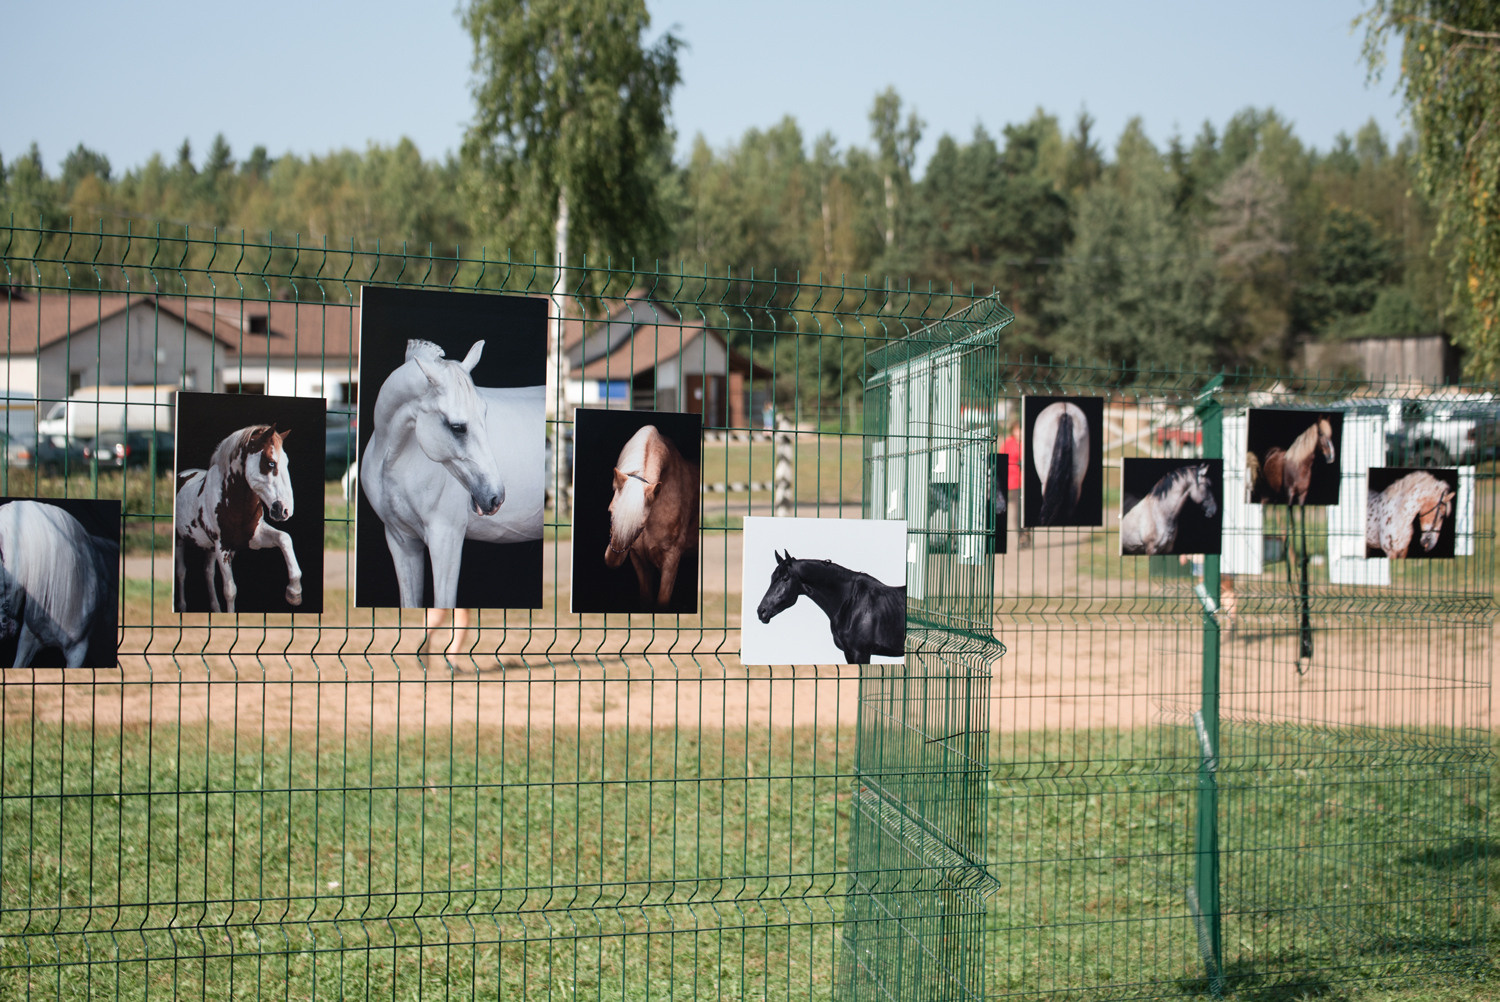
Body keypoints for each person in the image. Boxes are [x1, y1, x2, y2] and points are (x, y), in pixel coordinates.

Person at [999, 420, 1029, 548]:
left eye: (1021, 429)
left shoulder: (1027, 442)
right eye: (1017, 429)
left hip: (1026, 483)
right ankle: (1021, 536)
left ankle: (1027, 533)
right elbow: (1001, 460)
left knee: (1027, 511)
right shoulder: (1008, 443)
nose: (1019, 432)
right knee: (1017, 512)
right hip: (1013, 483)